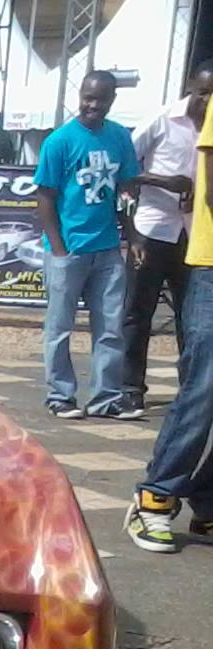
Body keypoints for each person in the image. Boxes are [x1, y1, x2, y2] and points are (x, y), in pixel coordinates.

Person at [126, 76, 213, 552]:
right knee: (203, 383)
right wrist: (134, 228)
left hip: (185, 241)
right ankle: (155, 497)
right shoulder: (167, 120)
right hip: (196, 254)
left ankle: (208, 503)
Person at [33, 70, 140, 419]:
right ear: (79, 96)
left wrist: (132, 235)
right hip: (69, 248)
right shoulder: (59, 141)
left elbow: (126, 189)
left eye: (100, 99)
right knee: (59, 327)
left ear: (112, 100)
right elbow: (45, 197)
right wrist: (59, 249)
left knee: (110, 327)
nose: (92, 105)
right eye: (87, 97)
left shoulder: (119, 136)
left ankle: (106, 397)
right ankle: (60, 395)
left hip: (107, 248)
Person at [121, 63, 213, 416]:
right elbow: (123, 168)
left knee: (192, 319)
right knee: (137, 313)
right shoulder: (161, 120)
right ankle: (131, 388)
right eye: (203, 92)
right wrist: (164, 182)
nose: (207, 101)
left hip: (194, 236)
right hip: (152, 230)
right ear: (190, 86)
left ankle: (191, 389)